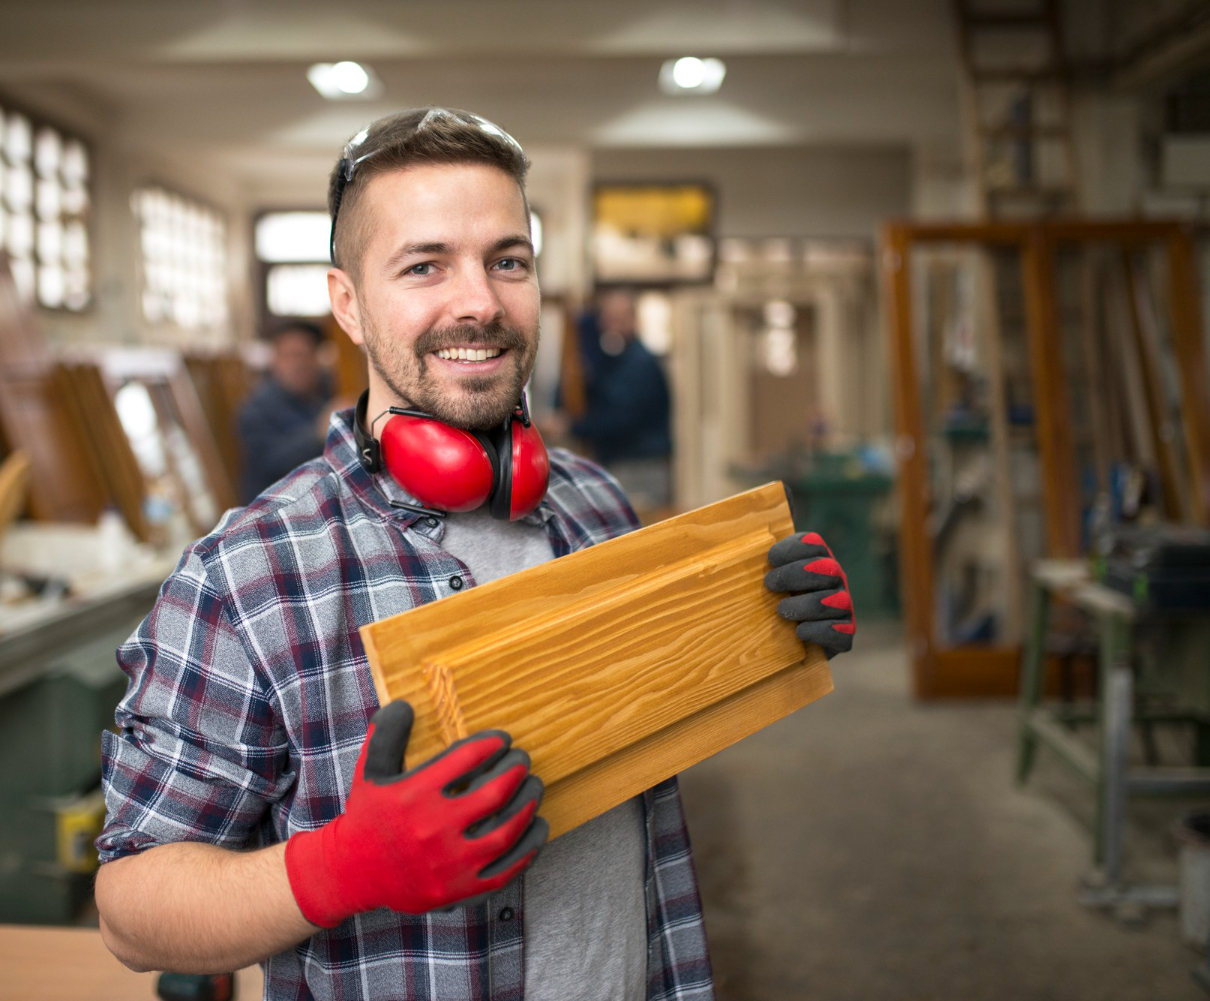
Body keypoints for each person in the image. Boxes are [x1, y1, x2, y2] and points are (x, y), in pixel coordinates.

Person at [94, 107, 856, 1001]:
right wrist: (343, 867)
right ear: (348, 302)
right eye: (425, 266)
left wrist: (761, 630)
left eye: (508, 261)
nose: (481, 302)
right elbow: (130, 909)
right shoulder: (248, 574)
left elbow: (639, 732)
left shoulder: (594, 504)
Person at [569, 288, 673, 508]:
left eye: (618, 319)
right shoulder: (613, 360)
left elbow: (621, 420)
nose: (611, 326)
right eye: (607, 319)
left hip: (641, 468)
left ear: (633, 319)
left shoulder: (640, 364)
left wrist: (572, 427)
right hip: (620, 465)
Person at [235, 320, 343, 503]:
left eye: (303, 355)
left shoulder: (330, 391)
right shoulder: (256, 408)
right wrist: (318, 432)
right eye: (288, 356)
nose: (297, 364)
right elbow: (269, 464)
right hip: (275, 507)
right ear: (274, 360)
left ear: (317, 358)